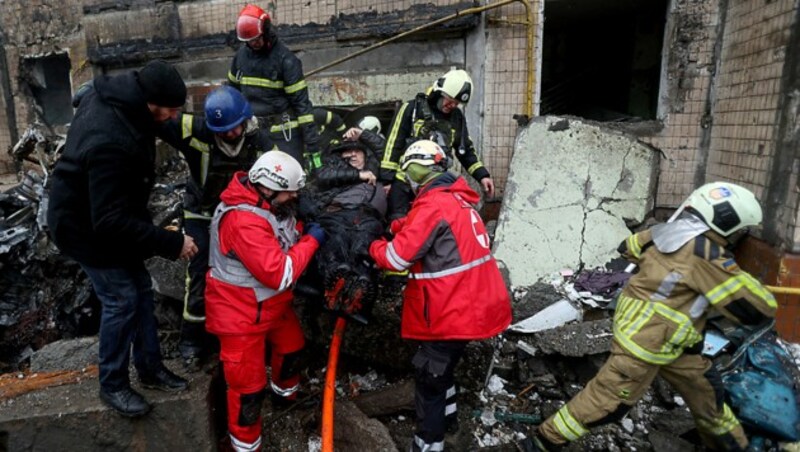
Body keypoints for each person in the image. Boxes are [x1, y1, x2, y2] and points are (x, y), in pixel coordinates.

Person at [533, 182, 778, 451]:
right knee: (608, 403)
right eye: (741, 230)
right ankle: (543, 441)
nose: (741, 236)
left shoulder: (666, 232)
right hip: (644, 343)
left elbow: (628, 247)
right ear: (727, 222)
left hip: (673, 342)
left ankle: (732, 446)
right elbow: (758, 309)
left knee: (708, 396)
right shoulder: (706, 256)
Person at [47, 60, 196, 417]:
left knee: (141, 289)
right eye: (172, 111)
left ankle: (150, 368)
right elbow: (110, 222)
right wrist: (172, 243)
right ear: (151, 104)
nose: (174, 118)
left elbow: (88, 92)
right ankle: (112, 384)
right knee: (121, 299)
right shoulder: (110, 143)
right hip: (84, 229)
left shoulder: (117, 94)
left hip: (109, 216)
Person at [368, 140, 511, 451]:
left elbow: (395, 259)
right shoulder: (457, 200)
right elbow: (430, 227)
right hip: (474, 306)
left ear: (416, 169)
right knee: (444, 371)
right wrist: (398, 226)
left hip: (450, 311)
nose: (406, 180)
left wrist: (372, 245)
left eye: (407, 172)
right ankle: (449, 422)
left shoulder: (432, 206)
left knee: (430, 378)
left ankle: (428, 443)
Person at [204, 151, 325, 452]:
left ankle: (286, 398)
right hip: (240, 315)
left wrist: (302, 227)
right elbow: (280, 273)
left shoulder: (265, 204)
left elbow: (280, 235)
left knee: (292, 349)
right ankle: (245, 446)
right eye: (290, 192)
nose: (294, 196)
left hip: (268, 305)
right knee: (248, 391)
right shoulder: (242, 220)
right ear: (269, 187)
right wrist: (312, 240)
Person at [158, 85, 272, 371]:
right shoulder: (194, 130)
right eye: (224, 130)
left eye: (235, 128)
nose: (230, 134)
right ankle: (192, 342)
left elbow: (278, 173)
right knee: (198, 270)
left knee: (246, 270)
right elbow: (157, 118)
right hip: (201, 212)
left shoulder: (260, 141)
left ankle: (247, 335)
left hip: (240, 214)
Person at [380, 69, 495, 220]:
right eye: (450, 99)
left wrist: (482, 175)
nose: (452, 105)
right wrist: (387, 181)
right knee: (399, 223)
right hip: (404, 183)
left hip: (435, 185)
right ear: (439, 91)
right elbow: (393, 144)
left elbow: (465, 149)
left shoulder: (456, 117)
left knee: (432, 225)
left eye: (457, 103)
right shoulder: (412, 109)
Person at [229, 4, 320, 172]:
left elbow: (302, 105)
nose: (254, 43)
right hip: (253, 131)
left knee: (290, 176)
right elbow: (232, 94)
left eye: (257, 39)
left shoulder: (286, 60)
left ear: (266, 31)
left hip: (284, 134)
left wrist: (312, 145)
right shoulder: (240, 57)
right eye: (249, 41)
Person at [309, 140, 387, 319]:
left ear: (366, 155)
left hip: (369, 218)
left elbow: (383, 148)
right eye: (346, 151)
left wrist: (362, 134)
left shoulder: (378, 175)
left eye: (356, 151)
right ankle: (333, 285)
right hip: (338, 214)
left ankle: (359, 290)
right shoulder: (334, 176)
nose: (351, 154)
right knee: (338, 239)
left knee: (365, 243)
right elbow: (321, 181)